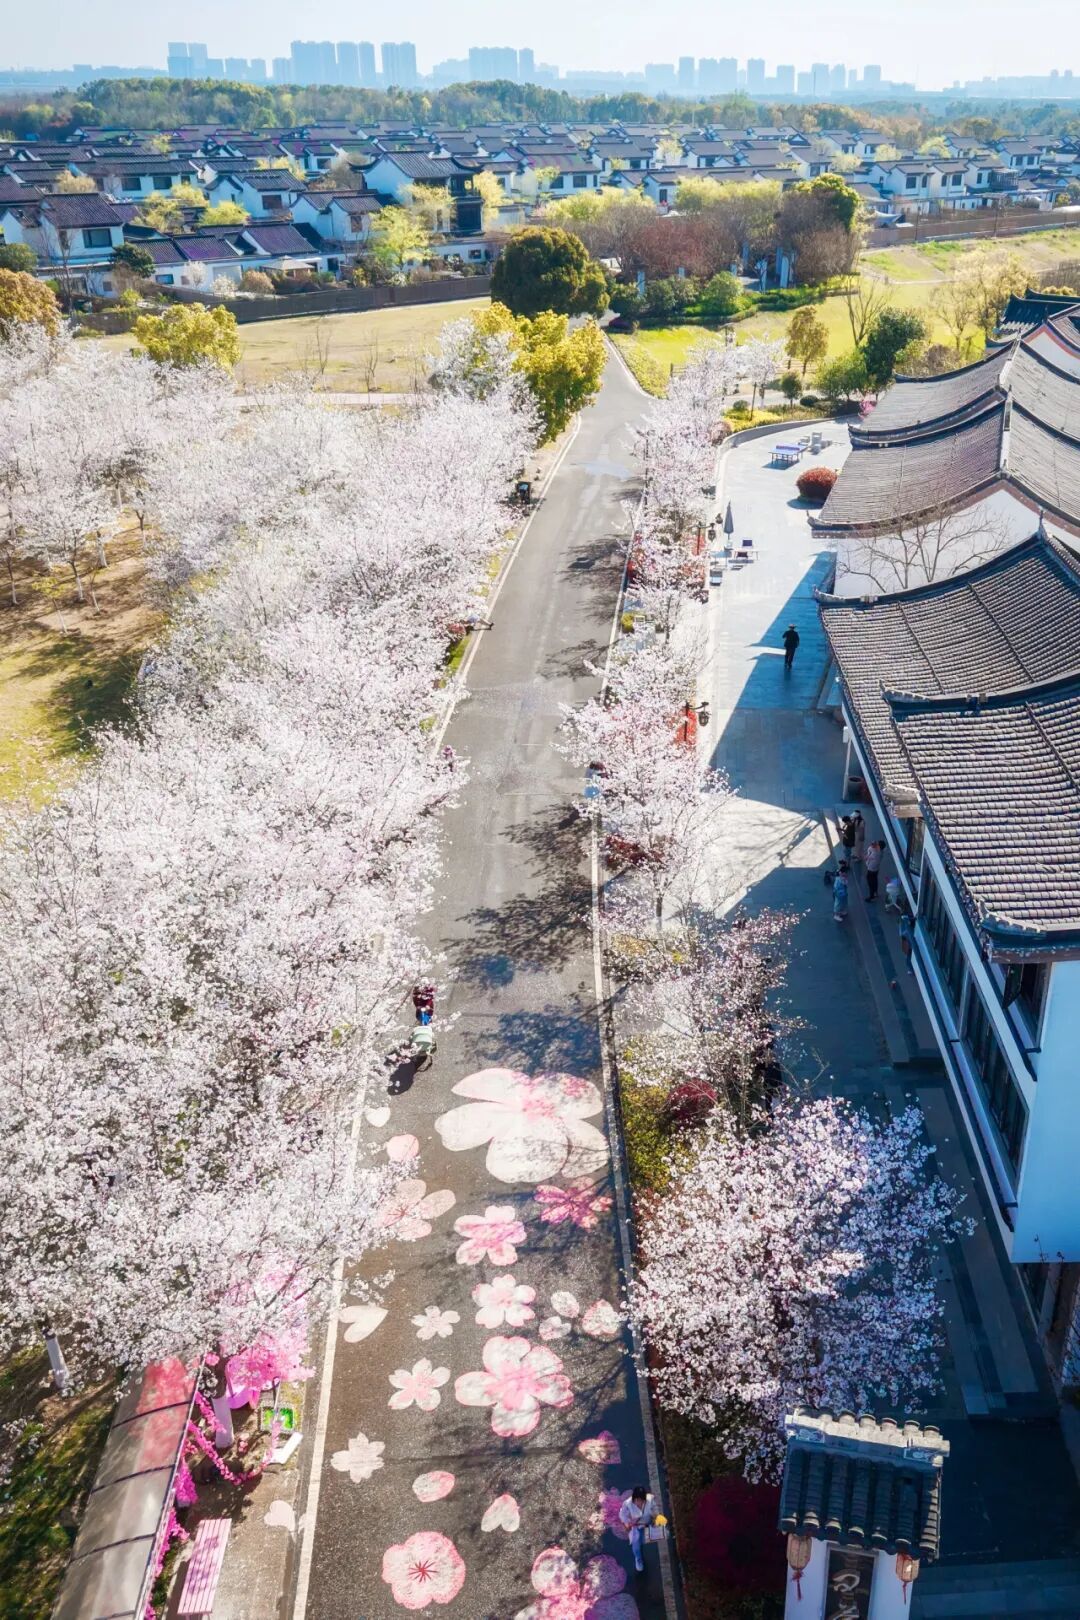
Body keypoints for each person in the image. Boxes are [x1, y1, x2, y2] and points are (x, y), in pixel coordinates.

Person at [619, 1486, 656, 1573]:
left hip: (647, 1525)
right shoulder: (627, 1504)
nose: (639, 1502)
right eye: (637, 1500)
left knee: (644, 1540)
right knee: (636, 1545)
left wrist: (655, 1518)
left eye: (642, 1500)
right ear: (634, 1498)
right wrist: (627, 1524)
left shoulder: (650, 1500)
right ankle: (638, 1559)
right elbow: (622, 1515)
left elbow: (655, 1510)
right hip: (635, 1528)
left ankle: (642, 1543)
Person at [899, 910, 915, 974]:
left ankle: (911, 970)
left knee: (908, 959)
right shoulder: (912, 930)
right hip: (911, 946)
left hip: (910, 947)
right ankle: (911, 970)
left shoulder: (906, 933)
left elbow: (904, 943)